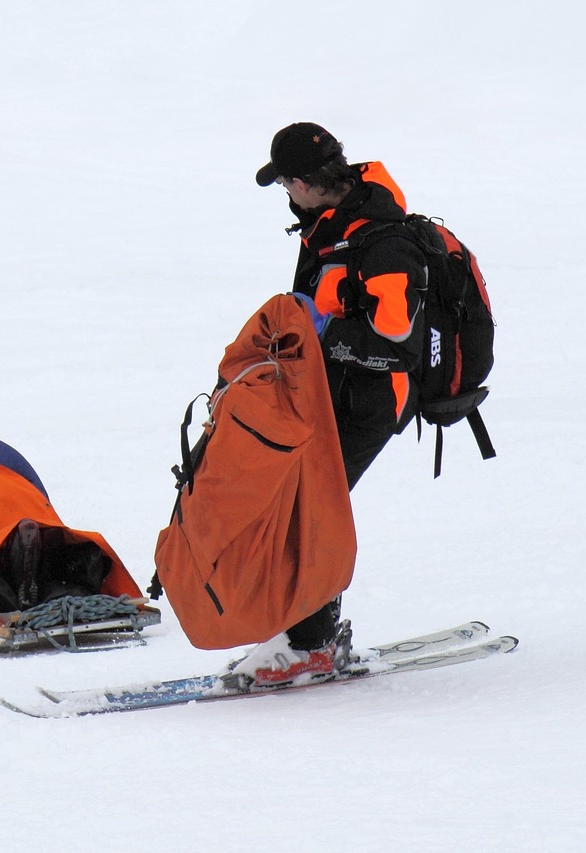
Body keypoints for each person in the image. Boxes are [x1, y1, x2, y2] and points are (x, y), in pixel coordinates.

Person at [230, 122, 426, 684]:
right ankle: (307, 637)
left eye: (286, 184)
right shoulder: (326, 227)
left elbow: (397, 344)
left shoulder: (381, 239)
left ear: (305, 182)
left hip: (372, 398)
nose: (286, 196)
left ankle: (310, 646)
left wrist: (322, 335)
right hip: (332, 391)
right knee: (303, 503)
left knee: (313, 510)